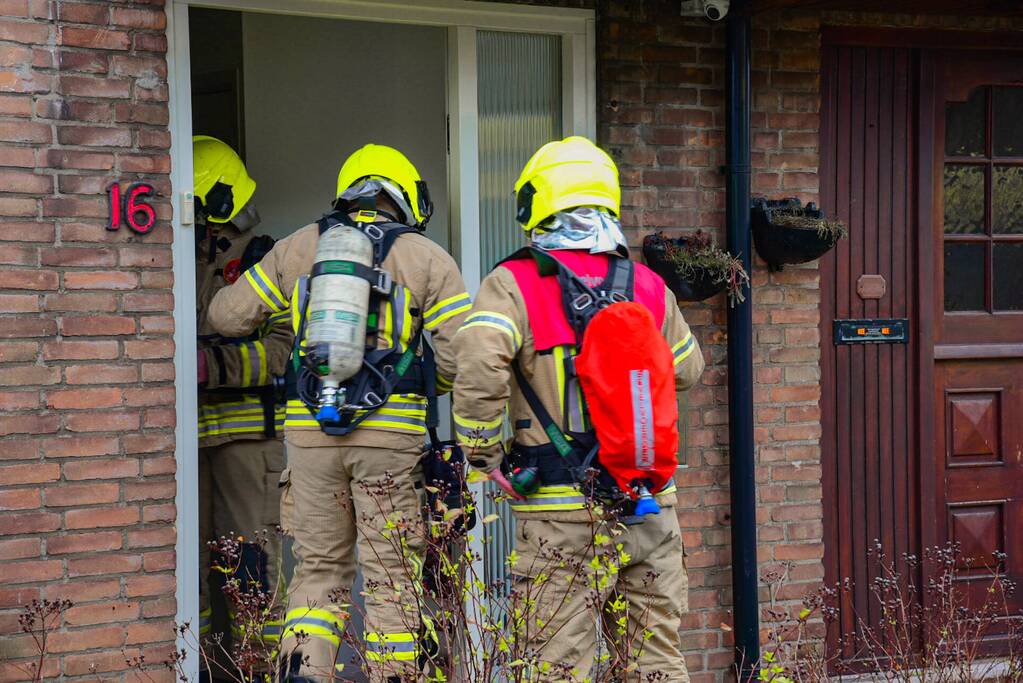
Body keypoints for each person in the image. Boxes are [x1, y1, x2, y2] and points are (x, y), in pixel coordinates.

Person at [206, 144, 471, 683]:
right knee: (390, 578)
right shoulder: (426, 257)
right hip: (390, 440)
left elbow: (225, 317)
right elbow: (459, 357)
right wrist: (430, 387)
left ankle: (304, 674)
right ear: (405, 196)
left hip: (310, 436)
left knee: (319, 572)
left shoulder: (298, 246)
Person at [452, 136, 705, 681]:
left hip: (561, 510)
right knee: (656, 661)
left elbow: (476, 365)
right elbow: (688, 370)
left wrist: (484, 455)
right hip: (648, 505)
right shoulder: (648, 285)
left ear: (536, 203)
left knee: (557, 665)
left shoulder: (514, 284)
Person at [192, 135, 291, 667]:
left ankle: (260, 671)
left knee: (251, 567)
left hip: (248, 440)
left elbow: (281, 352)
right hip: (189, 440)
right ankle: (203, 670)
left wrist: (213, 367)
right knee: (191, 572)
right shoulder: (175, 255)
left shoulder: (263, 259)